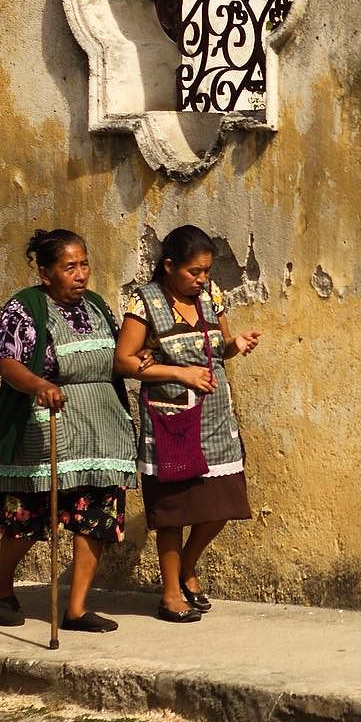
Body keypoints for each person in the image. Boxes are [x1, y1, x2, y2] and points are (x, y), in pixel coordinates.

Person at [0, 229, 138, 632]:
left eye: (84, 265)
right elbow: (8, 362)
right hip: (48, 429)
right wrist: (40, 385)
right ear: (46, 272)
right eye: (70, 267)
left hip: (102, 429)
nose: (81, 274)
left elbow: (117, 357)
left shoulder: (98, 307)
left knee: (95, 518)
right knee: (29, 518)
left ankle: (77, 609)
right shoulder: (25, 307)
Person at [115, 225, 261, 623]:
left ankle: (187, 567)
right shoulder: (144, 302)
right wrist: (179, 374)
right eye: (193, 272)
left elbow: (221, 348)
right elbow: (125, 360)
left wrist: (238, 345)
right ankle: (169, 593)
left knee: (224, 502)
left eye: (206, 272)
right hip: (171, 421)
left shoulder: (211, 297)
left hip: (214, 418)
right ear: (169, 267)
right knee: (174, 510)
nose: (201, 280)